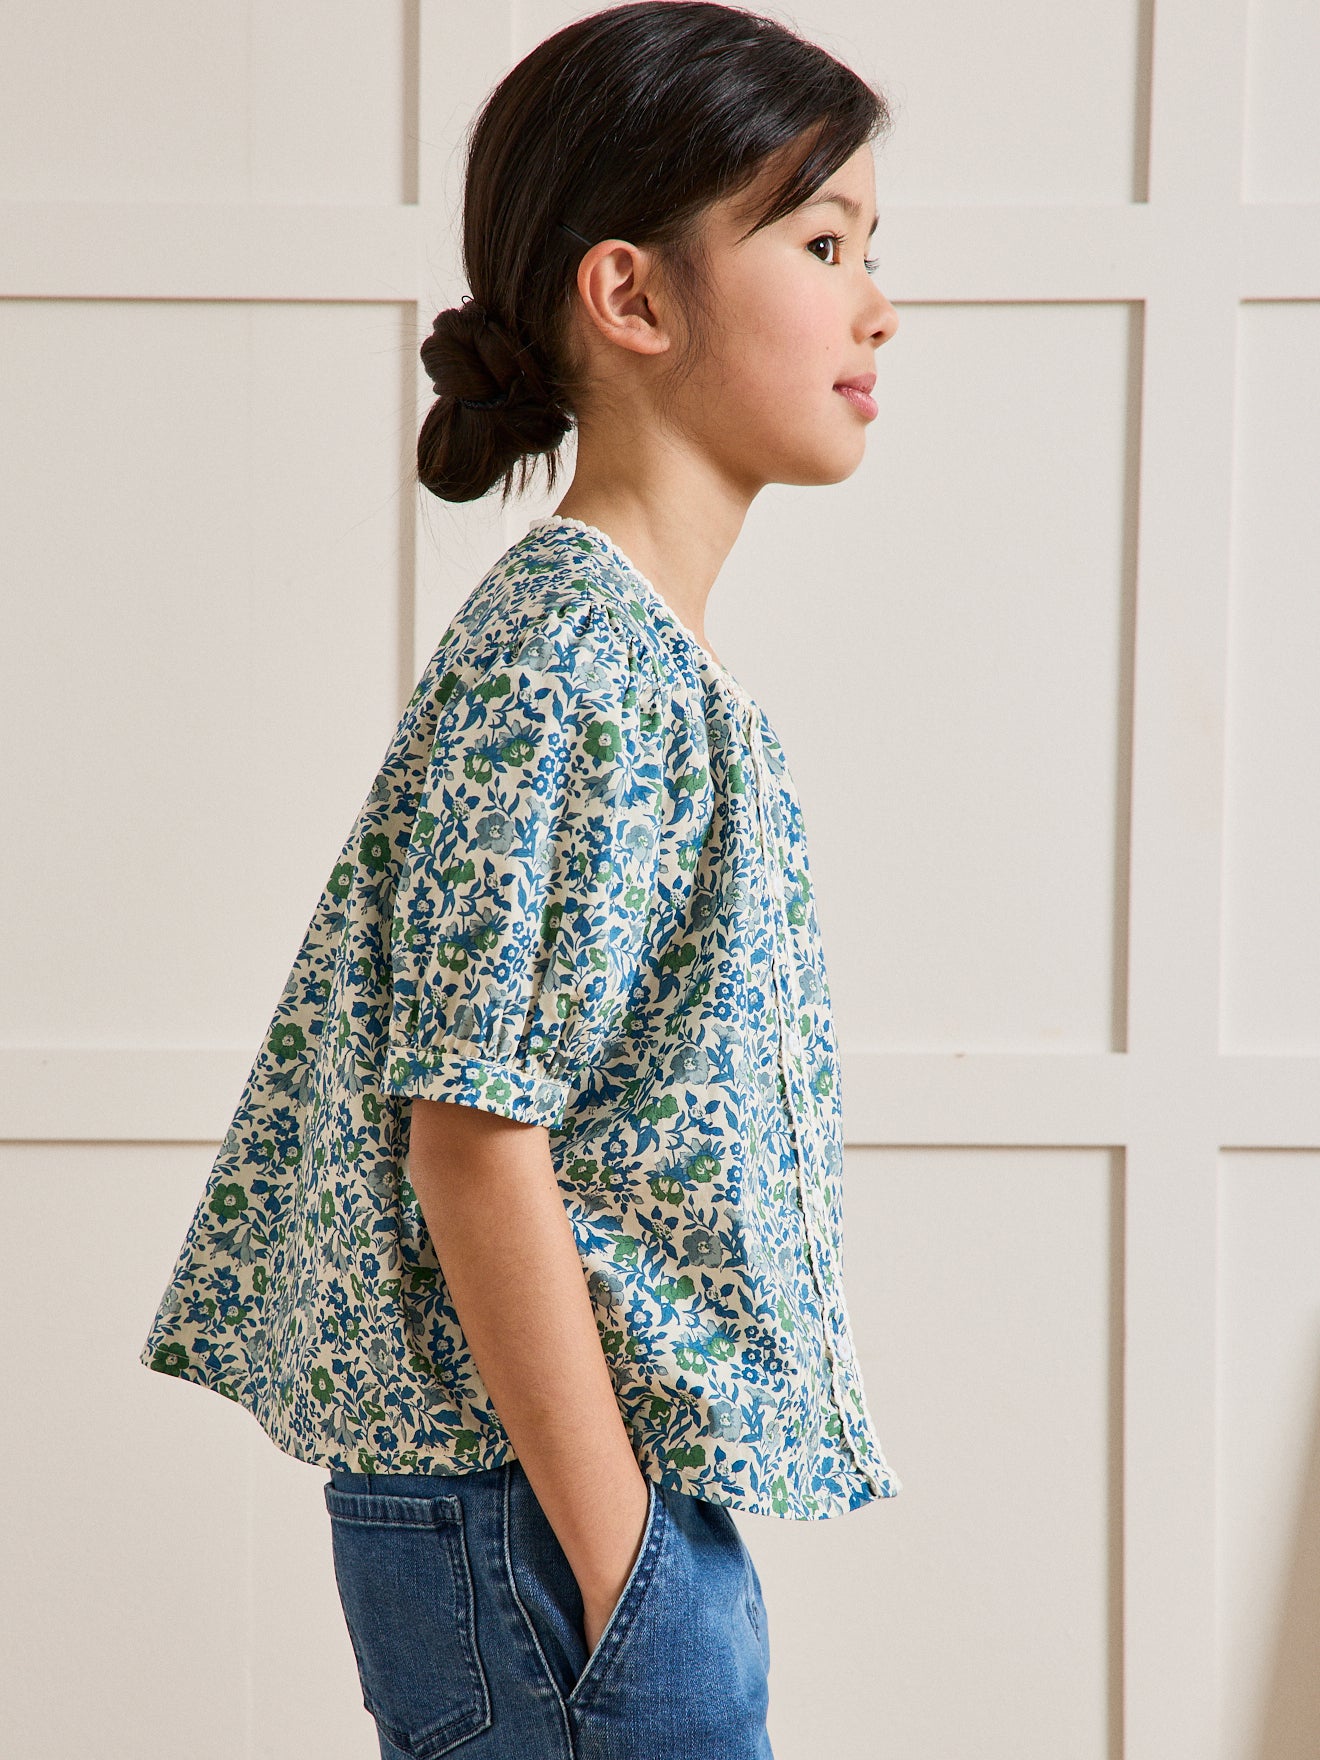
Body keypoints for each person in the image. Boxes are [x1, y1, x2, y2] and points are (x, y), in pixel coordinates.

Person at [139, 3, 903, 1754]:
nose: (878, 304)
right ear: (631, 295)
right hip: (539, 1517)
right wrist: (623, 1565)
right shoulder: (568, 661)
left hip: (569, 1510)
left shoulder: (634, 659)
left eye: (873, 250)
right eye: (822, 243)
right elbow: (473, 1136)